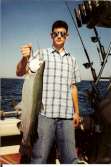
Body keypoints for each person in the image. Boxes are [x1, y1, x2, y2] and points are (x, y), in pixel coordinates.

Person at [16, 20, 81, 164]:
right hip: (45, 116)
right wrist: (24, 57)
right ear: (51, 35)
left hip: (66, 117)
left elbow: (73, 87)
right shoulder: (40, 54)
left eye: (62, 34)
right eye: (56, 33)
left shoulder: (73, 60)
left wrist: (77, 112)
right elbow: (20, 72)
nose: (59, 36)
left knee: (71, 159)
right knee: (39, 158)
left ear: (67, 36)